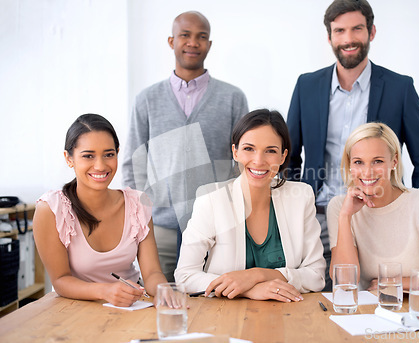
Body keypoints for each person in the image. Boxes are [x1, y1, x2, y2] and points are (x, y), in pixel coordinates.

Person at [286, 0, 419, 290]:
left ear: (372, 32)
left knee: (382, 298)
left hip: (381, 215)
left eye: (357, 29)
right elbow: (290, 157)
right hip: (318, 218)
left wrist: (415, 211)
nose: (348, 39)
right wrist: (295, 205)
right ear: (329, 37)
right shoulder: (307, 85)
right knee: (327, 302)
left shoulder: (400, 88)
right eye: (339, 30)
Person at [122, 11, 248, 282]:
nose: (193, 42)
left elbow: (243, 162)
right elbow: (134, 163)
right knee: (158, 303)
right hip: (161, 227)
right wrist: (143, 214)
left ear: (209, 45)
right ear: (171, 41)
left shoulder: (232, 98)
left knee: (216, 302)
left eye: (201, 37)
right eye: (185, 35)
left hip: (217, 227)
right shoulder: (147, 100)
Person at [175, 109, 326, 301]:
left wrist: (256, 275)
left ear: (282, 156)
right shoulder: (211, 199)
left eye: (270, 151)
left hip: (289, 318)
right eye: (249, 149)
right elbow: (185, 276)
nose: (259, 161)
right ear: (235, 152)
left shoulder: (301, 197)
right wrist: (249, 290)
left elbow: (317, 275)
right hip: (224, 318)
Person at [33, 114, 167, 307]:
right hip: (73, 309)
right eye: (88, 156)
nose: (100, 165)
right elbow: (60, 280)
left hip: (129, 307)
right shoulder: (51, 209)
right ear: (69, 158)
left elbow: (153, 272)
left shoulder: (138, 203)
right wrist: (105, 291)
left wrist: (164, 291)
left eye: (109, 154)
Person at [327, 122, 419, 293]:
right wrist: (345, 217)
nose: (367, 172)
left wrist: (395, 283)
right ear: (350, 166)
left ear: (394, 161)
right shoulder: (340, 207)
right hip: (373, 313)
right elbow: (346, 283)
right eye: (359, 162)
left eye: (377, 161)